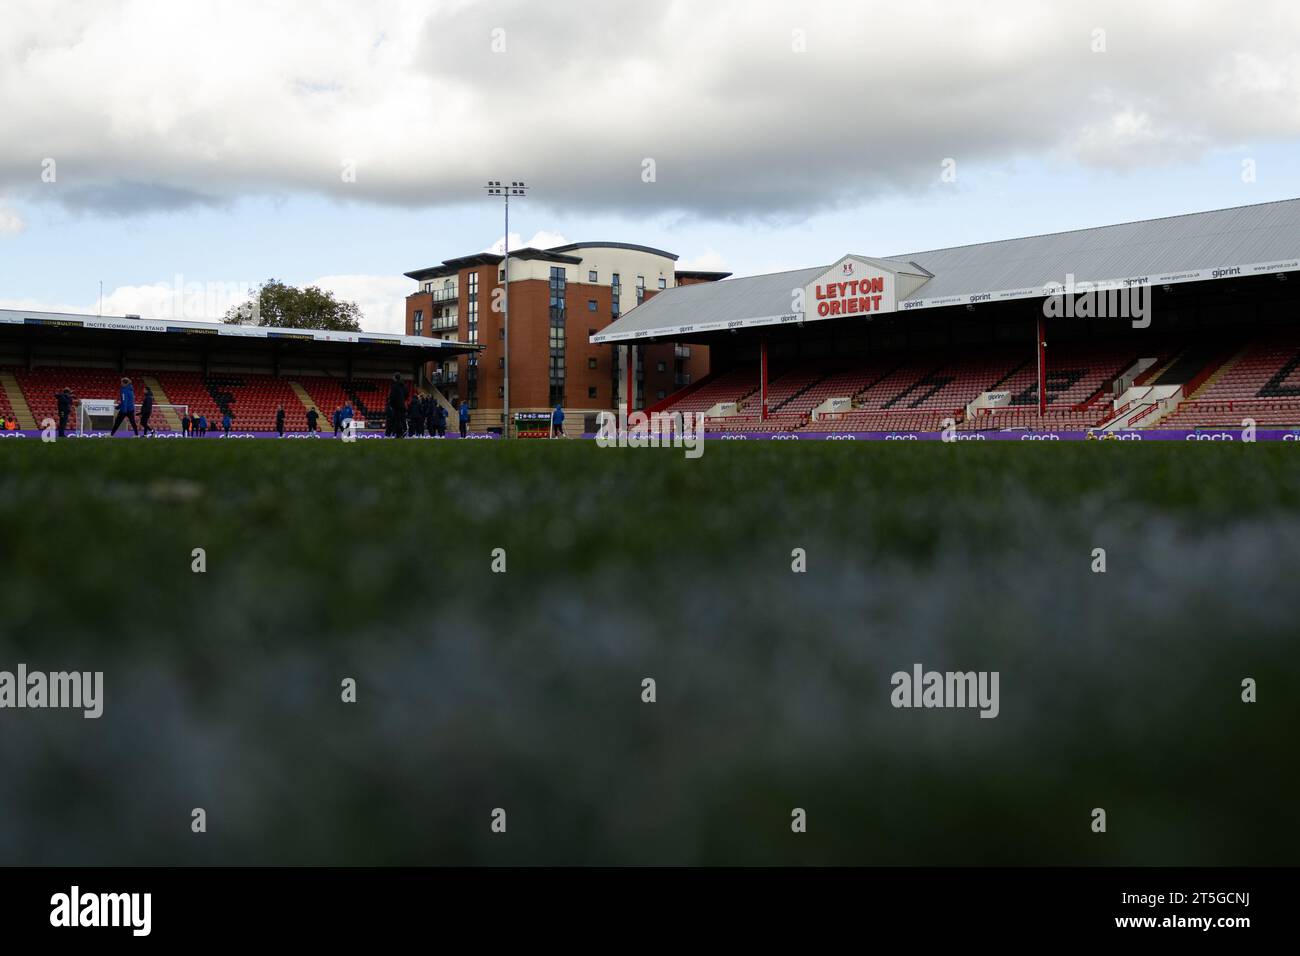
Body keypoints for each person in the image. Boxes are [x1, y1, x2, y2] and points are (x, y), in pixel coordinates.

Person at [386, 373, 407, 438]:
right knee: (401, 419)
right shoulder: (404, 385)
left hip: (396, 405)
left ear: (395, 378)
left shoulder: (394, 386)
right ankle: (401, 432)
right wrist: (403, 400)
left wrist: (391, 404)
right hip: (402, 405)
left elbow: (392, 396)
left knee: (397, 420)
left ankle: (400, 433)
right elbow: (406, 394)